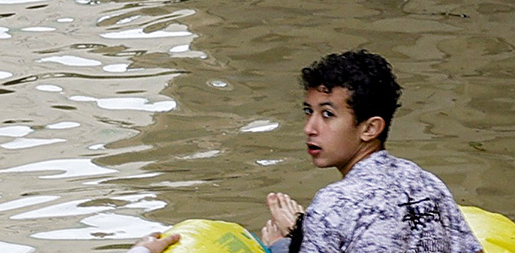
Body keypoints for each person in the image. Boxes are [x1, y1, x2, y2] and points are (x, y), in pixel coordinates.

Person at [123, 52, 481, 253]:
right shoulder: (427, 183)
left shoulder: (336, 203)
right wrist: (300, 235)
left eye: (328, 114)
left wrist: (281, 248)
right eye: (308, 112)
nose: (310, 128)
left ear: (370, 128)